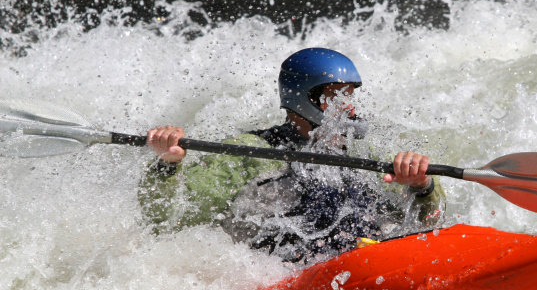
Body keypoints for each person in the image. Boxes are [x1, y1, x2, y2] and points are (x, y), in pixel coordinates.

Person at [138, 47, 445, 263]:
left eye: (349, 96)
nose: (348, 108)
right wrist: (169, 164)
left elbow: (429, 221)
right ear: (303, 98)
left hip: (365, 267)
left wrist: (422, 185)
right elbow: (166, 219)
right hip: (292, 277)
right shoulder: (251, 152)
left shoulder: (368, 152)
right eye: (334, 97)